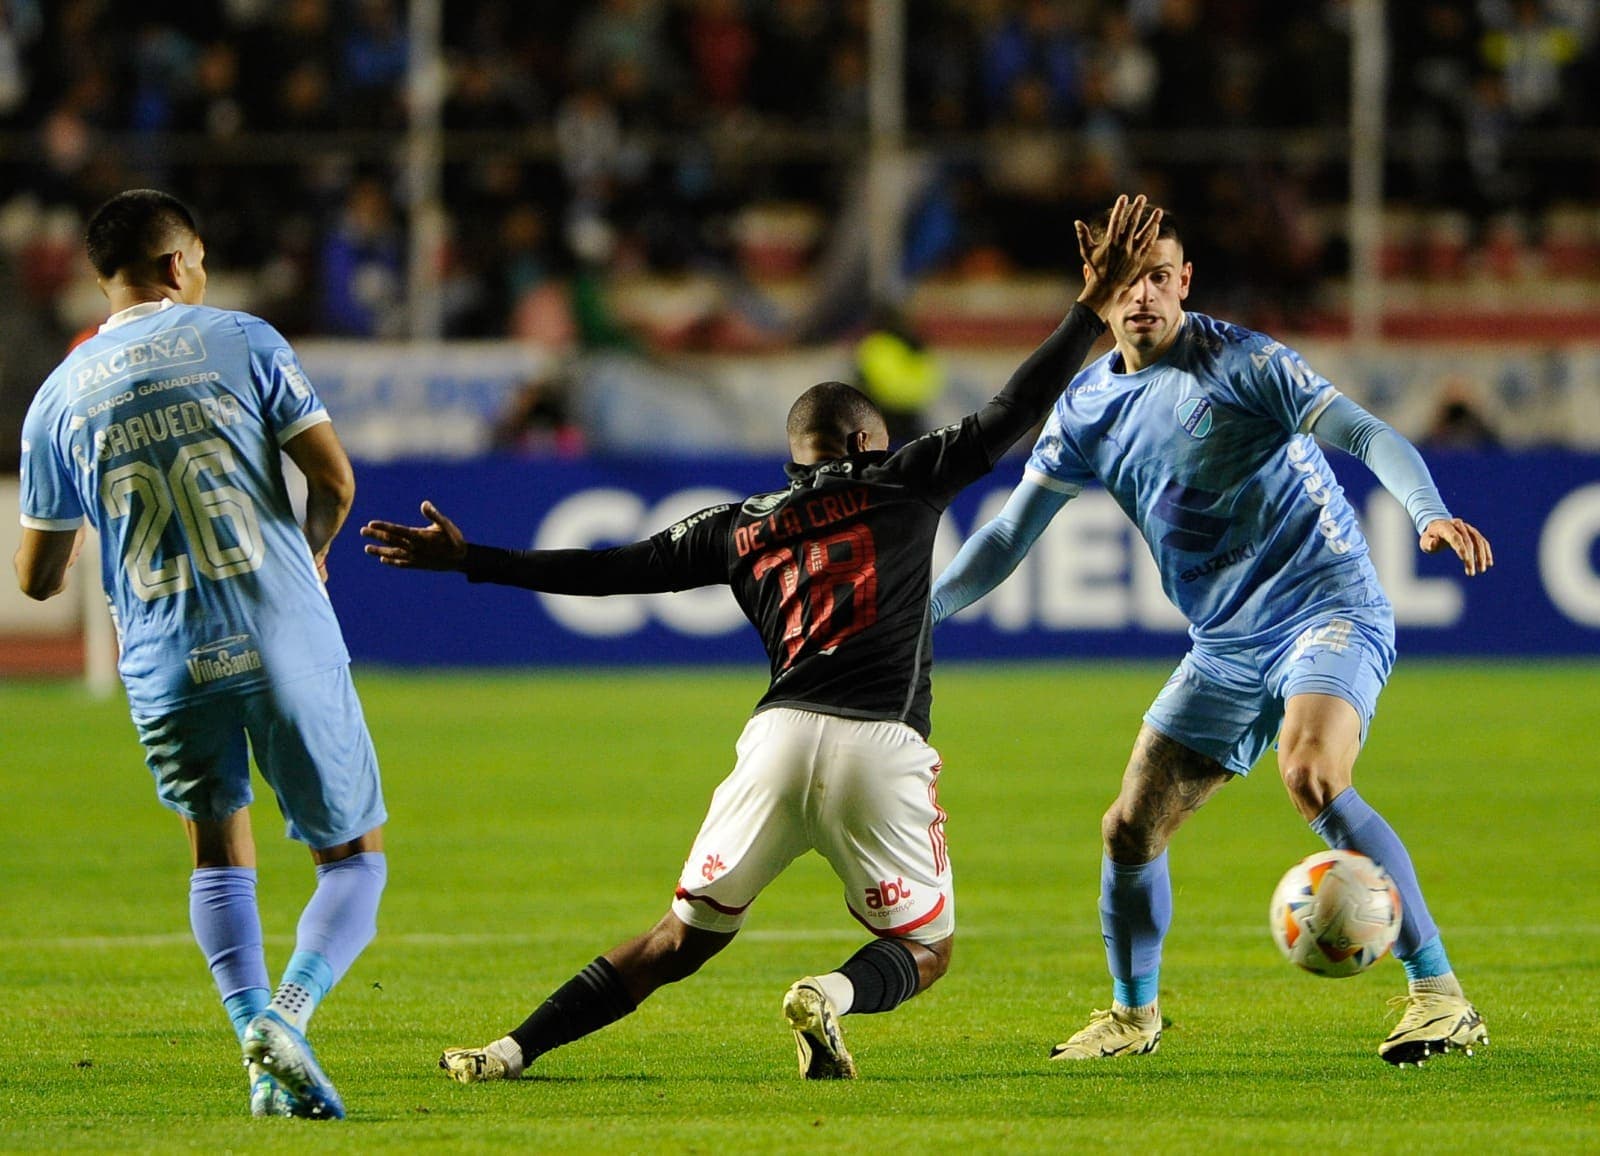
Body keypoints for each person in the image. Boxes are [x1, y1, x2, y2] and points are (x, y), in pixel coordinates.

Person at [360, 195, 1163, 1084]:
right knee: (926, 946)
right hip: (879, 744)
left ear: (795, 459)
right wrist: (1091, 308)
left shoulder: (737, 526)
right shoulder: (903, 480)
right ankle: (829, 992)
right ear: (866, 439)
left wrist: (476, 560)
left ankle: (508, 1051)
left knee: (676, 939)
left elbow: (608, 569)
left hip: (773, 745)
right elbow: (1017, 407)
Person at [930, 208, 1494, 1067]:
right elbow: (1007, 538)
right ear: (1099, 291)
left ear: (1185, 282)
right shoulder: (1086, 404)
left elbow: (1367, 434)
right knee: (1128, 829)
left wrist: (1428, 513)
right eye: (1127, 279)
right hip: (1224, 645)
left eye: (1160, 275)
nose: (1145, 293)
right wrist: (918, 613)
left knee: (1310, 772)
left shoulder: (1243, 362)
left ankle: (1441, 998)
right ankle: (1131, 1017)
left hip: (1327, 606)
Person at [14, 190, 387, 1118]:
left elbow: (36, 577)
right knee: (354, 861)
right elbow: (334, 478)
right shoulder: (245, 339)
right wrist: (315, 554)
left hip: (163, 654)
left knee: (218, 854)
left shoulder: (57, 396)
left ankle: (258, 1056)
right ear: (180, 264)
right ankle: (289, 1017)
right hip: (279, 627)